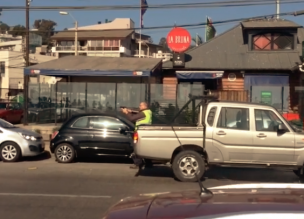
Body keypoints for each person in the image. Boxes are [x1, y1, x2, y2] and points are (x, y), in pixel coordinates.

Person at [121, 102, 152, 169]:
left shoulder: (143, 113)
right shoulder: (148, 112)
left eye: (140, 105)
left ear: (145, 106)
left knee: (135, 147)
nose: (139, 106)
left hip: (140, 132)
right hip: (145, 132)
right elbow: (137, 113)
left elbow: (132, 118)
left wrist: (126, 113)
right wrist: (130, 111)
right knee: (145, 148)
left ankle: (138, 163)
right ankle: (148, 163)